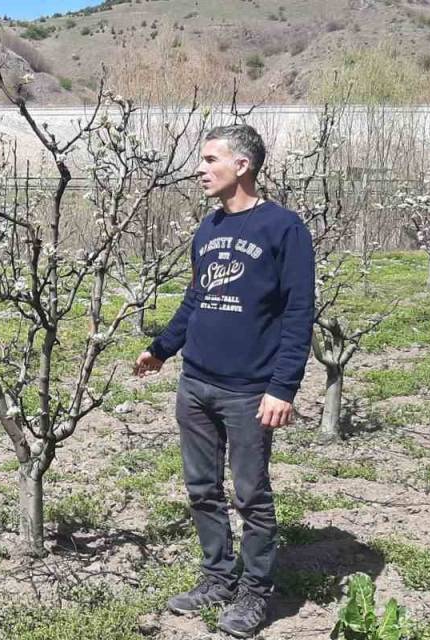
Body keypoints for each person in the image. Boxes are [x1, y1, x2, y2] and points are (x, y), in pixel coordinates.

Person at [134, 124, 315, 638]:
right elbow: (196, 299)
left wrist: (284, 387)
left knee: (251, 494)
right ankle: (217, 576)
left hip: (249, 390)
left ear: (243, 165)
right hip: (196, 383)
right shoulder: (208, 228)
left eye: (210, 159)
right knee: (201, 488)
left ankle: (256, 593)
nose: (200, 169)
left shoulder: (284, 229)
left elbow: (299, 312)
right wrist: (162, 349)